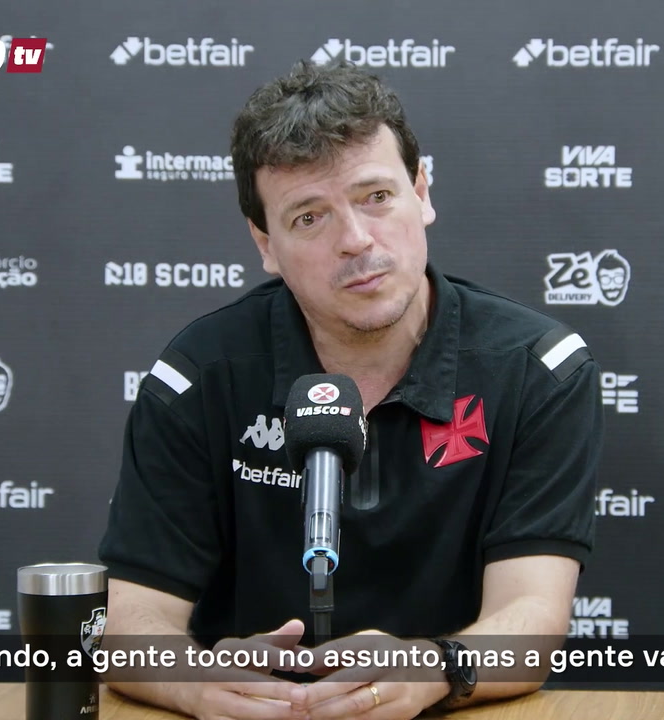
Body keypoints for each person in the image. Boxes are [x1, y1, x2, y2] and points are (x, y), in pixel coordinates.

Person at [97, 59, 604, 720]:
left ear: (421, 192)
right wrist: (197, 682)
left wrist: (432, 669)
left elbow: (531, 615)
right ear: (266, 244)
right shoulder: (200, 374)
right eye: (310, 217)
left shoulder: (538, 368)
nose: (356, 240)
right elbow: (128, 620)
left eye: (377, 197)